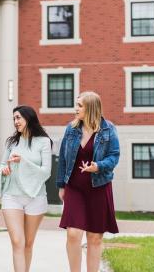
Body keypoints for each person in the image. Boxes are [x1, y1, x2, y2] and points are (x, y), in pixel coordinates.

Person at [56, 91, 120, 272]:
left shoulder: (108, 129)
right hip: (75, 188)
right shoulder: (71, 129)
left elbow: (114, 156)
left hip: (99, 187)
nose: (75, 109)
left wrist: (98, 166)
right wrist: (61, 185)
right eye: (76, 105)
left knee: (94, 237)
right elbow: (62, 159)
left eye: (80, 106)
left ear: (91, 107)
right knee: (73, 234)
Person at [0, 105, 52, 272]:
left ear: (29, 118)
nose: (15, 121)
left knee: (27, 244)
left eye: (18, 117)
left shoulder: (43, 142)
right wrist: (3, 170)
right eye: (13, 118)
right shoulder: (12, 142)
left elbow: (46, 172)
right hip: (11, 196)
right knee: (17, 242)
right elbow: (2, 164)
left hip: (36, 197)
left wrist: (23, 161)